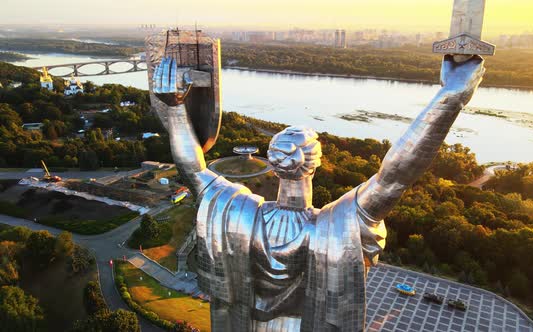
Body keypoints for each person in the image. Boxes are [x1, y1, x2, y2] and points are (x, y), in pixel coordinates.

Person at [152, 54, 485, 331]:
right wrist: (451, 97)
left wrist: (175, 108)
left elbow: (193, 170)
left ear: (274, 163)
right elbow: (395, 176)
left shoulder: (240, 215)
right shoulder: (332, 226)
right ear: (316, 164)